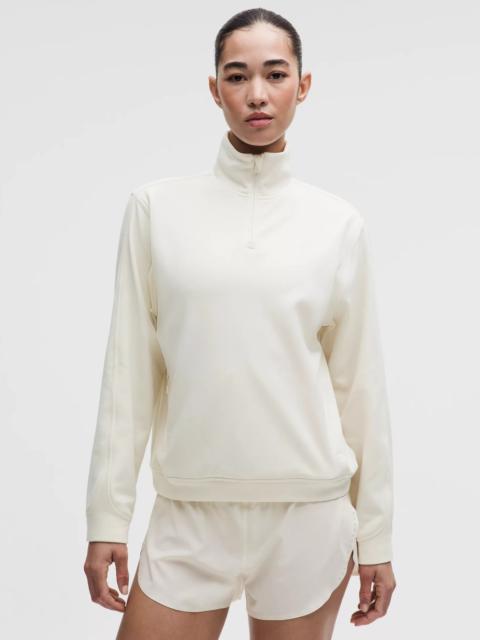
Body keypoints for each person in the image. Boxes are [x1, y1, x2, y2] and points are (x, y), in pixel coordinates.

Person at [83, 8, 397, 639]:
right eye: (237, 75)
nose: (257, 93)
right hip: (190, 513)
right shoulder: (155, 211)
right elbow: (129, 374)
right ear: (214, 88)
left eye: (275, 74)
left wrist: (378, 536)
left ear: (303, 85)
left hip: (309, 517)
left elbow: (360, 388)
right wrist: (107, 520)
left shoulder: (337, 225)